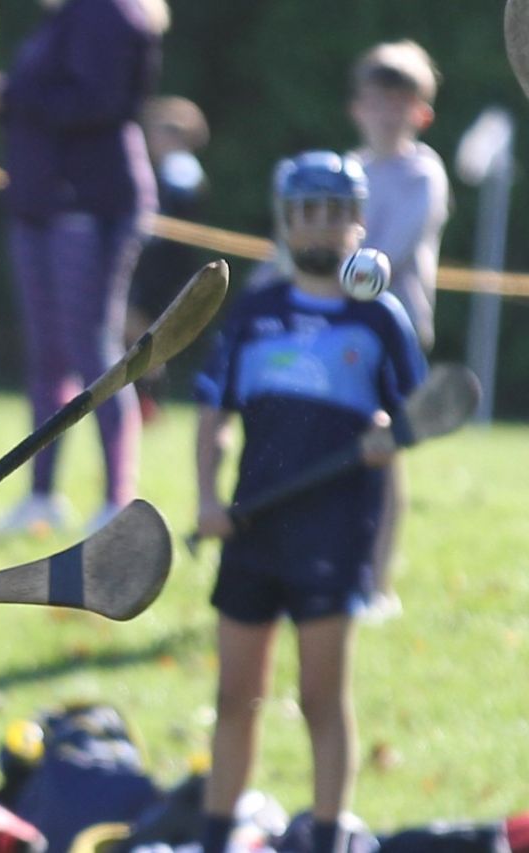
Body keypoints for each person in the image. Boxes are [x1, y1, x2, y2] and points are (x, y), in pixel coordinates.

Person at [191, 151, 427, 853]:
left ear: (358, 221)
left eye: (336, 211)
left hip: (334, 530)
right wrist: (206, 497)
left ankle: (327, 837)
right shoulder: (256, 312)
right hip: (253, 526)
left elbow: (415, 411)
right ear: (286, 222)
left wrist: (393, 436)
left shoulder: (379, 318)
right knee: (236, 696)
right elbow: (212, 415)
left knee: (322, 697)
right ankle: (215, 834)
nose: (322, 226)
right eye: (307, 212)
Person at [0, 0, 167, 535]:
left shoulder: (109, 13)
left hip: (91, 203)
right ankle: (41, 497)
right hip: (41, 205)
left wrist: (9, 94)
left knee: (95, 352)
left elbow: (100, 100)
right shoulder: (66, 16)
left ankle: (117, 500)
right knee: (48, 358)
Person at [348, 40, 450, 621]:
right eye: (377, 100)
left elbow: (385, 255)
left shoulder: (423, 174)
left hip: (396, 329)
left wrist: (334, 276)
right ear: (358, 107)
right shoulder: (349, 170)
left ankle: (378, 584)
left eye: (400, 101)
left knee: (386, 450)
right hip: (342, 327)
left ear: (420, 112)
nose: (387, 112)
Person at [128, 94, 210, 421]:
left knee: (146, 337)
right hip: (140, 268)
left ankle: (149, 400)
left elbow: (183, 205)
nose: (168, 136)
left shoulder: (183, 170)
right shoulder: (145, 169)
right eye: (162, 128)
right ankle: (143, 401)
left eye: (177, 130)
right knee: (133, 333)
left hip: (170, 272)